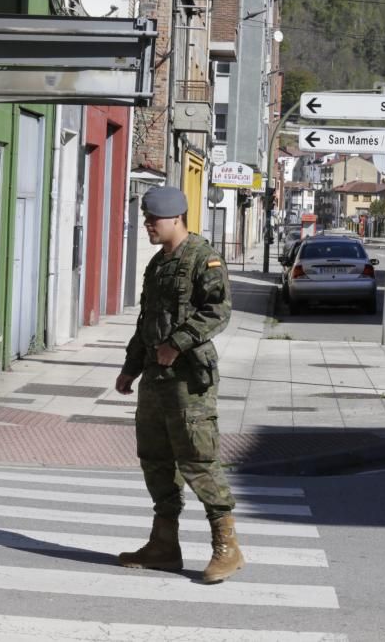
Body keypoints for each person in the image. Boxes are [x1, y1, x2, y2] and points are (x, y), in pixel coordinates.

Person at [115, 186, 244, 584]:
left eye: (154, 219)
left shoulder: (203, 259)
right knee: (155, 460)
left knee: (198, 460)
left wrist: (178, 343)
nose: (148, 225)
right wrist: (130, 367)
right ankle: (164, 544)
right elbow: (146, 322)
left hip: (189, 380)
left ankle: (227, 546)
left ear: (176, 218)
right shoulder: (158, 264)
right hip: (155, 379)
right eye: (146, 218)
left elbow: (218, 310)